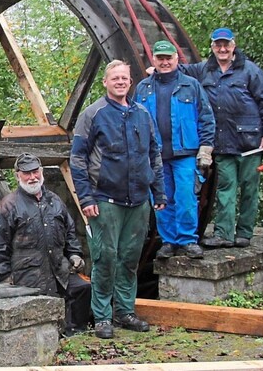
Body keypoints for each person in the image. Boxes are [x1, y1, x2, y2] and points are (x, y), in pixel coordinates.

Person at [69, 59, 167, 339]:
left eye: (124, 78)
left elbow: (154, 155)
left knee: (129, 259)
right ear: (105, 82)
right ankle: (102, 317)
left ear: (130, 81)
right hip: (105, 200)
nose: (121, 82)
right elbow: (77, 159)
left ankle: (125, 312)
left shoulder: (142, 114)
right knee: (105, 258)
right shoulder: (93, 114)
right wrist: (86, 197)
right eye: (115, 78)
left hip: (138, 200)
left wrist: (158, 192)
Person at [181, 28, 263, 249]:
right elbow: (179, 70)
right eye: (218, 45)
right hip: (222, 142)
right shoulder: (205, 70)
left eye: (226, 45)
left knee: (249, 189)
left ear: (233, 46)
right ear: (213, 47)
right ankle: (224, 234)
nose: (222, 49)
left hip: (250, 142)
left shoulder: (249, 71)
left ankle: (244, 233)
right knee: (225, 189)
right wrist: (156, 68)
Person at [0, 153, 91, 336]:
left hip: (59, 270)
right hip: (27, 274)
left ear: (42, 172)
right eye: (27, 173)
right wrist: (5, 278)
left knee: (83, 288)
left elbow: (70, 235)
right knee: (40, 302)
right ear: (17, 175)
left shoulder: (55, 201)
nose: (32, 177)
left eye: (35, 172)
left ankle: (75, 333)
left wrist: (75, 256)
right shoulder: (8, 206)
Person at [135, 40, 216, 260]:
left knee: (186, 198)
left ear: (176, 59)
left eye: (168, 58)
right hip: (157, 156)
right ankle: (169, 241)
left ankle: (188, 240)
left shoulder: (191, 85)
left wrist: (205, 150)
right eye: (160, 58)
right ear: (154, 60)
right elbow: (134, 123)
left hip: (185, 155)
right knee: (161, 200)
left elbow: (206, 119)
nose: (164, 62)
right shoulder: (143, 88)